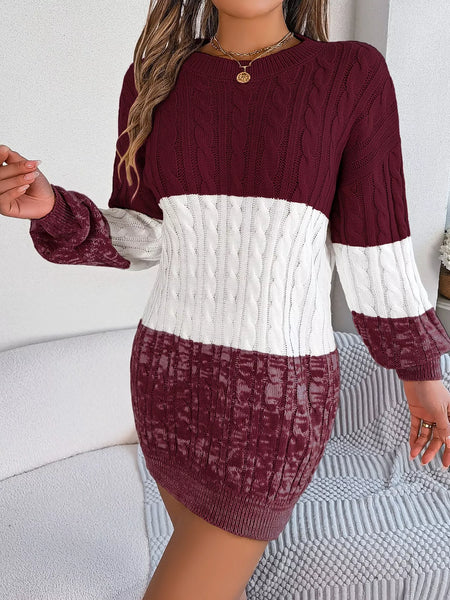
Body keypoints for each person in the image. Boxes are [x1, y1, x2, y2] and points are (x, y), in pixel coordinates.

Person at [2, 1, 450, 599]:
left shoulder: (351, 72)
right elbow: (148, 235)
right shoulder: (153, 78)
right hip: (168, 379)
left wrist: (421, 374)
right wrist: (53, 208)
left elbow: (375, 245)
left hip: (279, 400)